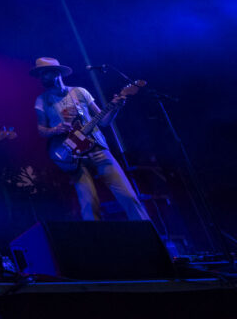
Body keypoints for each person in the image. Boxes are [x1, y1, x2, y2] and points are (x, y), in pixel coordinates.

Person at [31, 57, 149, 221]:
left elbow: (104, 121)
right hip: (73, 156)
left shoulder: (80, 92)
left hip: (98, 148)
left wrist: (115, 108)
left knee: (129, 196)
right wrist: (55, 129)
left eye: (45, 73)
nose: (41, 77)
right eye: (40, 74)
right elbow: (41, 131)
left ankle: (148, 231)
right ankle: (97, 237)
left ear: (57, 73)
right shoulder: (41, 100)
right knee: (88, 205)